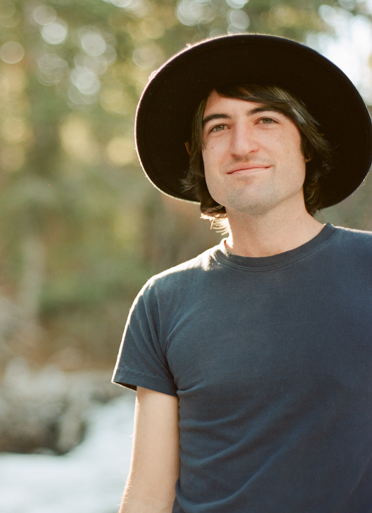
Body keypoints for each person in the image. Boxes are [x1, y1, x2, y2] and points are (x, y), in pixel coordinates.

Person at [112, 34, 372, 512]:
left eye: (266, 120)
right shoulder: (163, 300)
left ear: (306, 145)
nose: (241, 144)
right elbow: (148, 493)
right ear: (200, 153)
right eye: (218, 127)